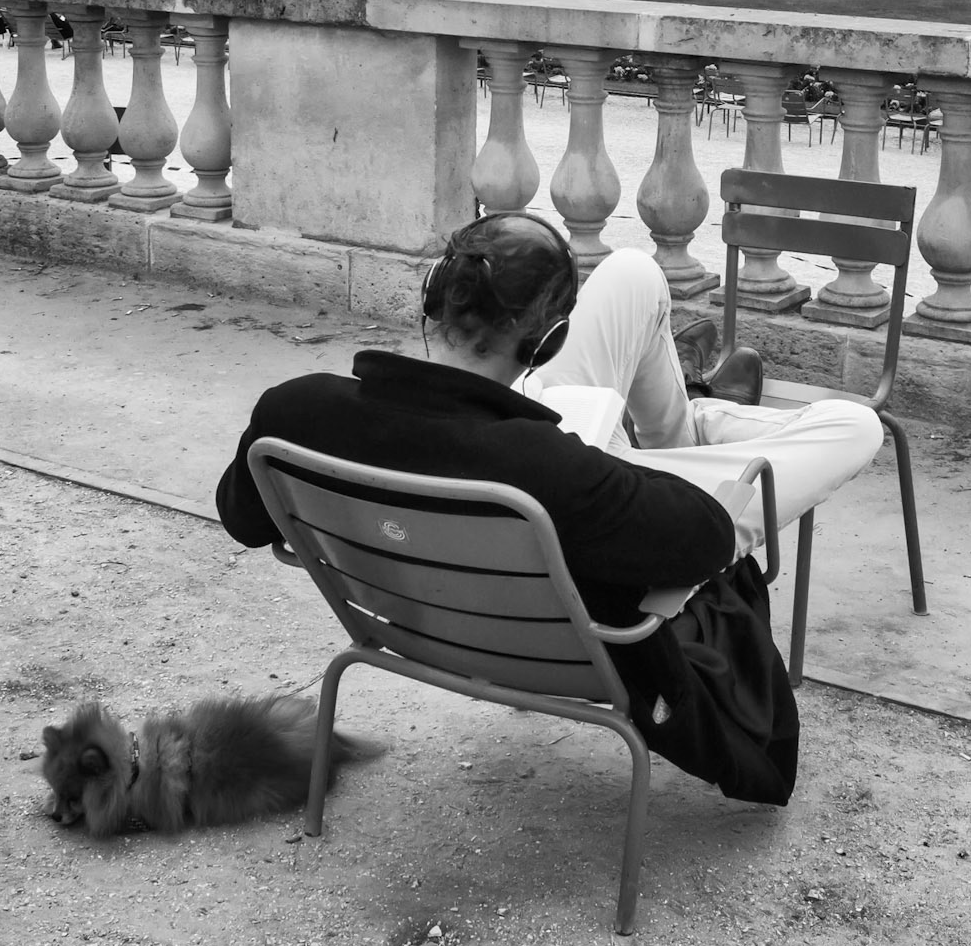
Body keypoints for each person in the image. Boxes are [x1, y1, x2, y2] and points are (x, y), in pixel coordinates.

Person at [217, 213, 882, 805]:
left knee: (630, 272)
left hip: (440, 604)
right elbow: (708, 540)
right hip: (557, 520)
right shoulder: (551, 473)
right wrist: (610, 469)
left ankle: (688, 415)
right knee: (854, 426)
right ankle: (701, 418)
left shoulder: (293, 412)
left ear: (430, 306)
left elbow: (242, 519)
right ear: (547, 344)